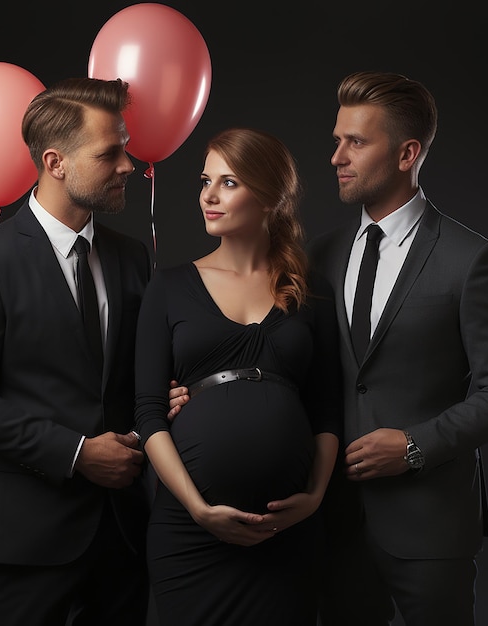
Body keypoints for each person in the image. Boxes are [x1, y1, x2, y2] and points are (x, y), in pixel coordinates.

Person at [306, 70, 488, 626]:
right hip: (332, 521)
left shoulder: (474, 260)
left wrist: (413, 446)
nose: (337, 155)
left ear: (408, 153)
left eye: (355, 142)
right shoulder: (322, 254)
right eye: (337, 140)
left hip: (431, 523)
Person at [0, 77, 160, 626]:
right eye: (110, 153)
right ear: (56, 163)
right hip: (32, 537)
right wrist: (77, 452)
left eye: (125, 147)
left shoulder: (133, 258)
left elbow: (135, 377)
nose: (129, 164)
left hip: (126, 532)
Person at [133, 127, 341, 626]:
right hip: (190, 535)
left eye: (228, 182)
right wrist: (198, 509)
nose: (208, 195)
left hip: (286, 536)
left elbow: (327, 408)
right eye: (206, 181)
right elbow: (148, 414)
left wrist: (313, 498)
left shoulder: (309, 290)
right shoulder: (168, 287)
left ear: (270, 195)